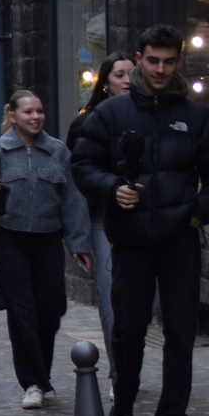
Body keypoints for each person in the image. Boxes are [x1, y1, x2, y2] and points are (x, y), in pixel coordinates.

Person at [71, 24, 209, 416]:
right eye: (152, 61)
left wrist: (197, 214)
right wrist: (112, 188)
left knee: (181, 332)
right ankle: (124, 401)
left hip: (179, 240)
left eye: (168, 62)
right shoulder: (111, 114)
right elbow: (83, 165)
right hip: (131, 240)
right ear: (139, 60)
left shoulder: (196, 118)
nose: (160, 69)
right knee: (128, 329)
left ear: (179, 62)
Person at [0, 90, 94, 409]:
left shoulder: (58, 152)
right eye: (28, 112)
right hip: (10, 242)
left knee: (50, 311)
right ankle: (33, 383)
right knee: (22, 311)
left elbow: (73, 200)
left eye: (39, 111)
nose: (36, 117)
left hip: (48, 242)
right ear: (13, 117)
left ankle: (40, 374)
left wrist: (78, 242)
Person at [66, 51, 136, 379]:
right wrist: (78, 236)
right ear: (105, 82)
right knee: (111, 296)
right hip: (103, 218)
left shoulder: (151, 116)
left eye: (132, 74)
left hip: (144, 217)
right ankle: (119, 374)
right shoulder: (86, 123)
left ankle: (129, 358)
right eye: (120, 75)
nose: (127, 81)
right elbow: (77, 180)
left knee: (147, 300)